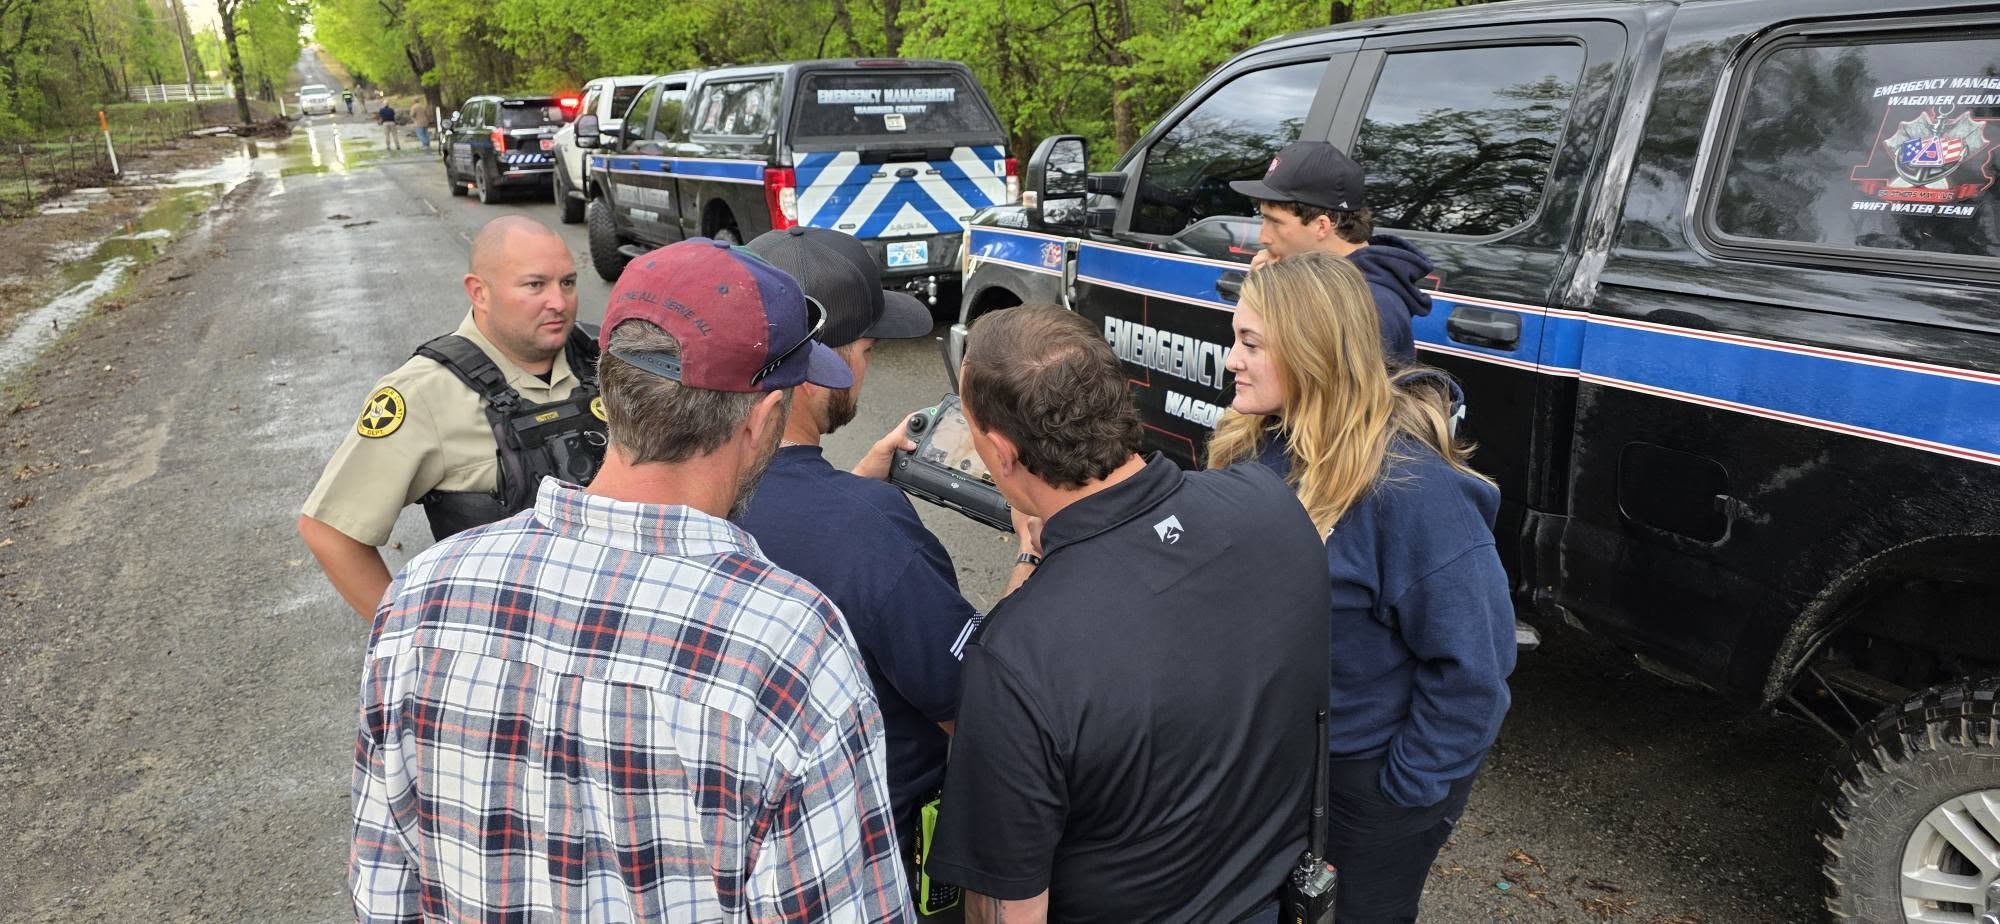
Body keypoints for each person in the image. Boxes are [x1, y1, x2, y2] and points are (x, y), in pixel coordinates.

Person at [350, 237, 911, 923]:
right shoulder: (790, 646)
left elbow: (385, 890)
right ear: (764, 418)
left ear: (614, 387)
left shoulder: (422, 597)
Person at [925, 304, 1332, 923]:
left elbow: (1008, 906)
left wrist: (1031, 569)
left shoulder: (1018, 655)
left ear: (1002, 452)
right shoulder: (1269, 504)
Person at [1208, 251, 1516, 924]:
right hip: (1277, 763)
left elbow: (1476, 671)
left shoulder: (1411, 494)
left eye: (1251, 343)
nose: (1231, 359)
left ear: (1313, 351)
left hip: (1369, 782)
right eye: (1235, 338)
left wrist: (1401, 794)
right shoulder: (1253, 446)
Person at [735, 226, 977, 910]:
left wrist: (853, 484)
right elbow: (979, 709)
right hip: (869, 862)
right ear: (818, 368)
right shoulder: (869, 532)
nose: (867, 369)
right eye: (867, 349)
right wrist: (1028, 552)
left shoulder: (689, 493)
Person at [298, 215, 603, 620]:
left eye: (567, 282)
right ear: (479, 292)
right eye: (535, 285)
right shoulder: (423, 392)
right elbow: (330, 529)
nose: (559, 302)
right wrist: (407, 633)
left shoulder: (608, 361)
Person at [1231, 140, 1433, 364]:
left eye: (1275, 222)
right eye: (1263, 219)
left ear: (1322, 226)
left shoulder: (1367, 304)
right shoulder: (1323, 284)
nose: (1263, 237)